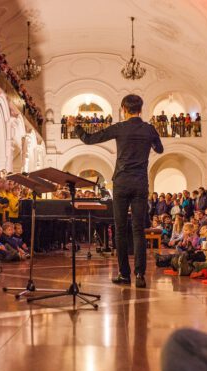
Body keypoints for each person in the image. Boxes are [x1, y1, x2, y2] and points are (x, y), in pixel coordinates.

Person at [74, 94, 163, 288]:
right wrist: (149, 141)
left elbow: (89, 139)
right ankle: (140, 275)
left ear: (124, 108)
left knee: (121, 230)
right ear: (141, 108)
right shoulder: (149, 129)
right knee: (139, 231)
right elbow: (160, 149)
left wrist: (77, 126)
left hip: (122, 183)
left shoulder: (120, 128)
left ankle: (124, 274)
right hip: (140, 183)